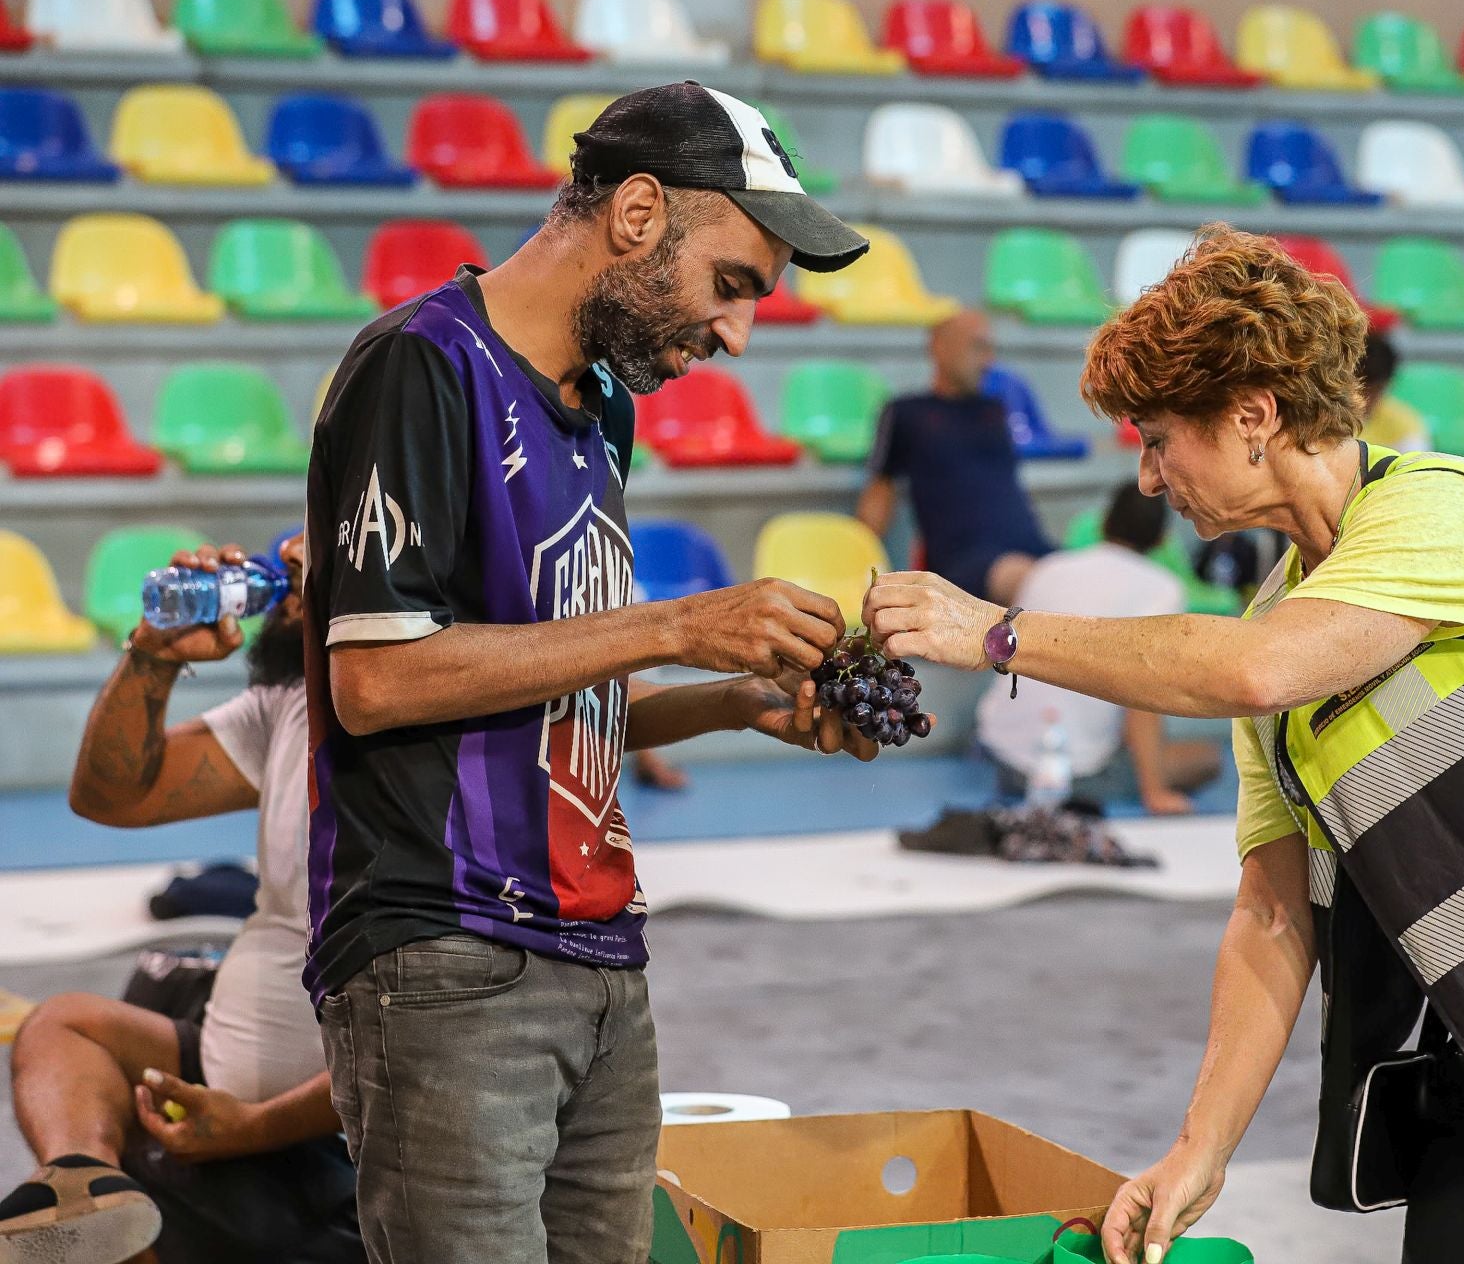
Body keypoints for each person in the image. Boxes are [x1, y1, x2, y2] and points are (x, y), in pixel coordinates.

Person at [864, 226, 1464, 1264]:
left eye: (1157, 436)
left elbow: (1259, 666)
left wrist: (997, 632)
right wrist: (1197, 1149)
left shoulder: (1444, 510)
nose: (1145, 477)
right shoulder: (1274, 620)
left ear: (1254, 416)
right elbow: (1273, 910)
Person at [304, 81, 877, 1264]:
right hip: (447, 954)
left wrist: (739, 700)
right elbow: (378, 680)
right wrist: (674, 625)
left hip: (602, 953)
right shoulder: (422, 363)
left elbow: (547, 700)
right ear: (636, 213)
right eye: (734, 284)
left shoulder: (600, 409)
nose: (736, 335)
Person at [1, 533, 365, 1264]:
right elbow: (110, 795)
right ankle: (85, 1195)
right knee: (67, 1025)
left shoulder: (446, 738)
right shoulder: (288, 703)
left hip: (353, 1118)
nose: (289, 549)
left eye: (318, 533)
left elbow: (432, 1037)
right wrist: (153, 656)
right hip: (220, 1074)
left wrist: (249, 1126)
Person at [976, 484, 1221, 815]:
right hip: (1061, 773)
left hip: (998, 753)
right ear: (1162, 539)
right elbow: (1143, 699)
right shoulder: (1163, 588)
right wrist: (1156, 792)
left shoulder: (1049, 568)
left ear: (1104, 522)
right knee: (1207, 759)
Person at [855, 310, 1052, 604]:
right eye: (977, 347)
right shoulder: (907, 412)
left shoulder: (994, 409)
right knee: (1038, 582)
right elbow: (880, 491)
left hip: (1031, 548)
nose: (989, 361)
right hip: (965, 564)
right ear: (939, 347)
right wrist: (855, 560)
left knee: (1096, 572)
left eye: (991, 349)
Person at [1354, 330, 1430, 453]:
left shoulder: (1406, 426)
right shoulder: (1323, 421)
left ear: (1386, 385)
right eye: (1358, 389)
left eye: (1372, 391)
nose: (1363, 398)